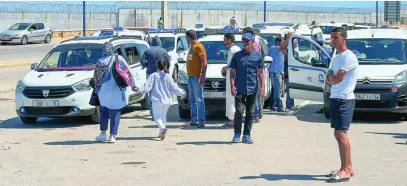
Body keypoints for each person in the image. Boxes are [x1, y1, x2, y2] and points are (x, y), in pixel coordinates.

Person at [325, 27, 359, 183]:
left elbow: (335, 79)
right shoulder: (336, 56)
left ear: (344, 38)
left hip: (344, 99)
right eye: (331, 37)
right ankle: (348, 167)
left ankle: (345, 169)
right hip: (335, 97)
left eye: (336, 37)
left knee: (340, 134)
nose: (332, 40)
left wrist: (330, 78)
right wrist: (330, 78)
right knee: (338, 134)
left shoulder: (348, 57)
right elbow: (329, 77)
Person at [94, 42, 137, 143]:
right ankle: (112, 136)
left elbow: (96, 79)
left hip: (103, 93)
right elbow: (128, 72)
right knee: (115, 113)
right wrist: (133, 85)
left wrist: (97, 91)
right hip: (117, 91)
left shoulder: (100, 62)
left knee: (103, 112)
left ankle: (103, 133)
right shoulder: (119, 58)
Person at [135, 59, 186, 140]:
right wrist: (182, 92)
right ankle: (161, 132)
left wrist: (138, 89)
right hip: (167, 100)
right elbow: (174, 88)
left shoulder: (153, 76)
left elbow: (146, 88)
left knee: (157, 117)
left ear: (157, 66)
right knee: (163, 116)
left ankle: (162, 128)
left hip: (157, 100)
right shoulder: (168, 76)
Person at [230, 33, 265, 144]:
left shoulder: (257, 56)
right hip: (239, 88)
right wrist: (232, 85)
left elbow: (260, 72)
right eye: (243, 41)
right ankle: (236, 134)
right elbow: (232, 72)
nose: (245, 42)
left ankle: (246, 135)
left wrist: (263, 86)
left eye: (247, 41)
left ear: (252, 42)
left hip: (252, 88)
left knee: (250, 113)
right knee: (239, 111)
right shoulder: (237, 56)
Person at [140, 36, 171, 117]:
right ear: (160, 42)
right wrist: (166, 69)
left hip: (150, 74)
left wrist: (146, 65)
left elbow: (142, 61)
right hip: (161, 74)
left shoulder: (147, 50)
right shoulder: (163, 51)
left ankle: (153, 112)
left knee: (151, 93)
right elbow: (168, 62)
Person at [183, 30, 207, 128]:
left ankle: (201, 121)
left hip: (197, 78)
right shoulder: (192, 47)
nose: (186, 40)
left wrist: (202, 76)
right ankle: (194, 120)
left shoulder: (199, 46)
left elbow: (205, 63)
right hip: (190, 77)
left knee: (199, 99)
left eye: (187, 38)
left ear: (189, 37)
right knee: (192, 100)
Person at [242, 27, 266, 123]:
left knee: (253, 95)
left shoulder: (254, 45)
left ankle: (255, 115)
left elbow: (256, 61)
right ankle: (254, 114)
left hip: (253, 74)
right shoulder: (252, 44)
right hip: (250, 73)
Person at [221, 33, 241, 128]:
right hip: (230, 77)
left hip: (234, 78)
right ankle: (232, 119)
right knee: (230, 98)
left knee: (232, 99)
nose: (224, 41)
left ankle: (234, 120)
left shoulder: (235, 50)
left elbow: (236, 65)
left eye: (225, 39)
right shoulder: (231, 50)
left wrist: (226, 67)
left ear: (229, 40)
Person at [268, 35, 291, 112]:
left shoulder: (279, 50)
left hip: (278, 72)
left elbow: (282, 61)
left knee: (276, 90)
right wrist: (288, 37)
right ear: (278, 42)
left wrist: (282, 72)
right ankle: (280, 107)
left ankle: (274, 105)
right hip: (275, 72)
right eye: (282, 42)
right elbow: (284, 46)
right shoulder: (274, 48)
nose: (283, 44)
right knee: (278, 90)